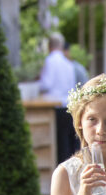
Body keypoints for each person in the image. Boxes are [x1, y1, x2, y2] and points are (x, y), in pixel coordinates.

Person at [39, 32, 79, 164]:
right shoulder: (69, 64)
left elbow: (46, 84)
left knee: (59, 144)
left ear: (49, 46)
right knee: (69, 144)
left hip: (55, 107)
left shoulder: (50, 61)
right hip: (69, 105)